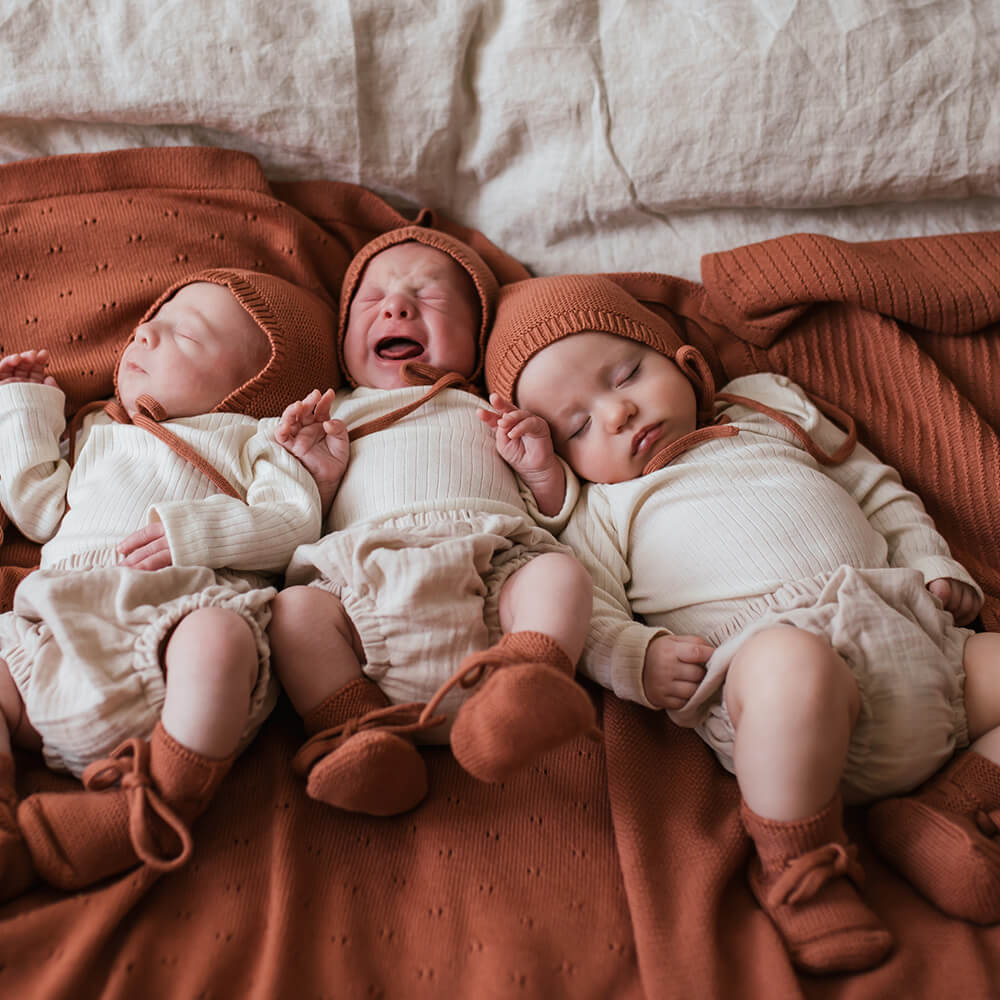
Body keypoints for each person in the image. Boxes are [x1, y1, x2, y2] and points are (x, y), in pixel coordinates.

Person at [480, 272, 1000, 975]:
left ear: (686, 363)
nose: (618, 413)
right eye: (578, 426)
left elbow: (875, 489)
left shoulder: (766, 415)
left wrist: (932, 560)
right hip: (777, 681)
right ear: (568, 458)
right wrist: (638, 656)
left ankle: (952, 807)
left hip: (919, 638)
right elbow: (590, 610)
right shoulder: (604, 509)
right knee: (795, 668)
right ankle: (800, 864)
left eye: (627, 373)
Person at [0, 268, 336, 896]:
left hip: (169, 637)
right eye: (147, 325)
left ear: (251, 387)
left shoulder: (252, 440)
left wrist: (198, 534)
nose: (146, 334)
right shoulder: (102, 433)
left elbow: (293, 523)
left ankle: (158, 802)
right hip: (50, 636)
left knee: (220, 638)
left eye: (185, 335)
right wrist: (21, 403)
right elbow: (37, 508)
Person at [267, 225, 596, 818]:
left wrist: (542, 468)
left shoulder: (490, 406)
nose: (397, 305)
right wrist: (317, 475)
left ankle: (528, 681)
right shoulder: (335, 411)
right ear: (343, 339)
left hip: (491, 578)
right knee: (293, 613)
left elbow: (558, 513)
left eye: (431, 296)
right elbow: (292, 521)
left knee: (560, 575)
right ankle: (359, 735)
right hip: (361, 590)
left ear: (479, 337)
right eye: (375, 299)